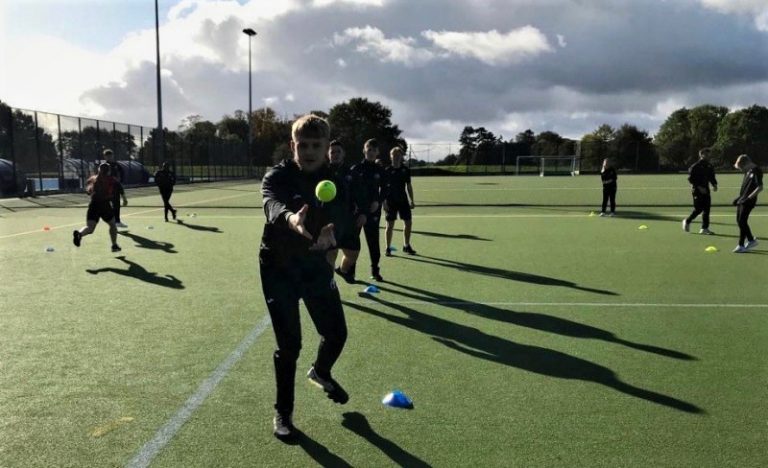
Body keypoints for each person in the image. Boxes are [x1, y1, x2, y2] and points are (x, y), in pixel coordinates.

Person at [260, 114, 349, 441]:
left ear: (328, 147)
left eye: (316, 145)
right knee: (290, 345)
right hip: (278, 267)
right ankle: (283, 413)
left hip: (313, 264)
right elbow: (271, 203)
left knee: (336, 334)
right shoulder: (278, 175)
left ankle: (321, 371)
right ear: (292, 145)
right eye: (303, 145)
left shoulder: (336, 180)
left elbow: (344, 218)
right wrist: (290, 219)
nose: (309, 151)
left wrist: (333, 235)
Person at [338, 138, 386, 282]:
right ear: (364, 150)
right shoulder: (355, 169)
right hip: (357, 213)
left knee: (373, 242)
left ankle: (375, 270)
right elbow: (349, 191)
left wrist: (378, 201)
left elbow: (385, 189)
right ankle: (350, 272)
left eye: (374, 150)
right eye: (368, 149)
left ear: (377, 152)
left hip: (373, 212)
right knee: (353, 243)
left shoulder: (380, 170)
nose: (371, 152)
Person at [327, 140, 366, 272]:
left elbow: (361, 196)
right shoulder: (322, 173)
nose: (335, 154)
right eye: (332, 152)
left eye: (338, 152)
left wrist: (363, 213)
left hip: (349, 221)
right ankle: (329, 283)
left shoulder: (352, 174)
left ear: (343, 154)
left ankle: (343, 271)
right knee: (330, 254)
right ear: (328, 154)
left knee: (353, 254)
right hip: (329, 221)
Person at [72, 163, 126, 252]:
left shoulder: (93, 179)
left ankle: (80, 234)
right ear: (109, 171)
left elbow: (88, 192)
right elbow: (120, 188)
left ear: (99, 170)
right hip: (105, 205)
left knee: (90, 228)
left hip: (93, 205)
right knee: (112, 224)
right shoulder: (112, 179)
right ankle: (114, 245)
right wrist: (124, 198)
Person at [383, 147, 416, 256]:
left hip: (403, 201)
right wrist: (383, 202)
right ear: (390, 156)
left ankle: (406, 245)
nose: (396, 157)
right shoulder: (387, 171)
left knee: (408, 223)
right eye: (394, 155)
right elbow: (382, 188)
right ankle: (388, 248)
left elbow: (409, 186)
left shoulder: (405, 170)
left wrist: (412, 200)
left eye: (398, 155)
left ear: (401, 157)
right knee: (390, 225)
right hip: (390, 202)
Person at [732, 154, 763, 253]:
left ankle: (741, 245)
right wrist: (739, 198)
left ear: (746, 163)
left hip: (749, 201)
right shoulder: (748, 171)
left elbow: (760, 188)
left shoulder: (756, 170)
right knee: (739, 221)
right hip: (742, 199)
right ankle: (751, 240)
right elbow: (746, 187)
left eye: (741, 167)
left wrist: (748, 199)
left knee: (742, 221)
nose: (740, 169)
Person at [683, 148, 718, 234]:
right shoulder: (695, 166)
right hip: (697, 190)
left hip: (706, 190)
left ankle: (704, 228)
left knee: (707, 209)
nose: (708, 156)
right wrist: (699, 187)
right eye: (706, 154)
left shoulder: (709, 166)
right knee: (698, 209)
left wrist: (714, 184)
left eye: (709, 154)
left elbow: (711, 177)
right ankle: (687, 221)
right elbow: (691, 179)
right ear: (701, 155)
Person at [103, 149, 127, 228]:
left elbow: (122, 173)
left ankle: (117, 222)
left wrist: (120, 180)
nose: (109, 157)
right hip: (107, 189)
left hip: (116, 188)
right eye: (107, 156)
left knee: (117, 206)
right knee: (109, 207)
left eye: (110, 155)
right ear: (105, 157)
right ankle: (113, 223)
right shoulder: (103, 166)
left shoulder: (116, 165)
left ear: (112, 156)